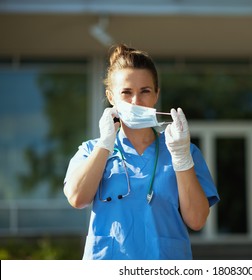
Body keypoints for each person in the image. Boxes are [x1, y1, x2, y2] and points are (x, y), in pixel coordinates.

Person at [63, 44, 219, 260]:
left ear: (156, 95)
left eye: (145, 91)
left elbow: (197, 220)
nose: (136, 101)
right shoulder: (90, 150)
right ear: (111, 97)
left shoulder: (183, 149)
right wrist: (105, 145)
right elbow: (77, 198)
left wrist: (182, 159)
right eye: (126, 92)